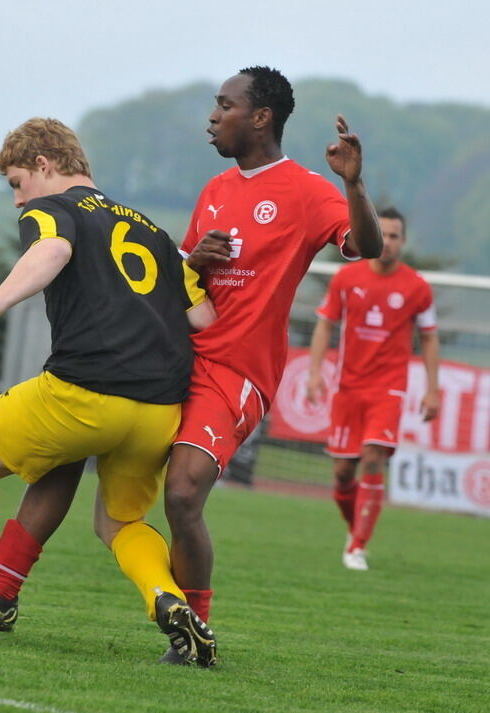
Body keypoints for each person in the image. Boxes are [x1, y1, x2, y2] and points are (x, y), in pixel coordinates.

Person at [0, 117, 219, 666]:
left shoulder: (52, 209)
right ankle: (166, 599)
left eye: (17, 182)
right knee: (120, 522)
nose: (18, 201)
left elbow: (52, 253)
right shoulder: (154, 233)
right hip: (161, 407)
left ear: (44, 165)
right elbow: (205, 319)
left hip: (87, 392)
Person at [158, 66, 382, 661]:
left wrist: (354, 187)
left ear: (260, 117)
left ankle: (195, 632)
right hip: (178, 358)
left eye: (223, 105)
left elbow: (369, 249)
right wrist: (193, 258)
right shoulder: (213, 191)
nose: (212, 116)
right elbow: (180, 282)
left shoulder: (308, 191)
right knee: (96, 473)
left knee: (182, 496)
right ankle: (2, 585)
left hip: (236, 371)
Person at [306, 206, 440, 570]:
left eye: (395, 235)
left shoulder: (417, 287)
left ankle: (358, 546)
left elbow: (429, 339)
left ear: (403, 241)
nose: (389, 241)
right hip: (348, 387)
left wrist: (432, 390)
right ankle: (356, 529)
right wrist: (315, 372)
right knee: (342, 475)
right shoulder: (346, 279)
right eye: (384, 233)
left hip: (389, 389)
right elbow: (324, 325)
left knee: (372, 456)